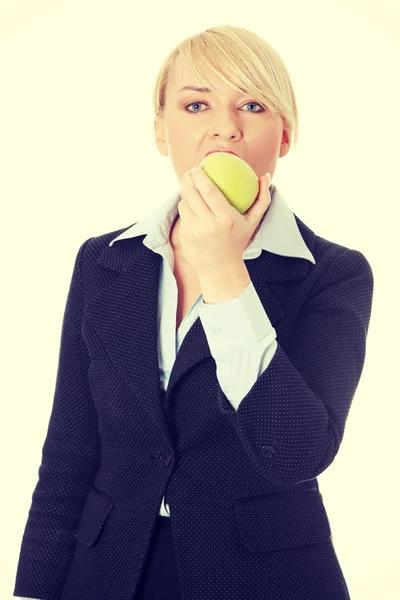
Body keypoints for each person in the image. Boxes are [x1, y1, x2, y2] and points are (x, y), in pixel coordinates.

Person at [14, 24, 374, 600]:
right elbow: (69, 453)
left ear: (285, 135)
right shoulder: (103, 263)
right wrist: (36, 587)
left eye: (252, 105)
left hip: (264, 577)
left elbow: (300, 451)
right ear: (161, 130)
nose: (224, 127)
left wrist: (226, 272)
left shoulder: (333, 274)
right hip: (106, 572)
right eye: (196, 103)